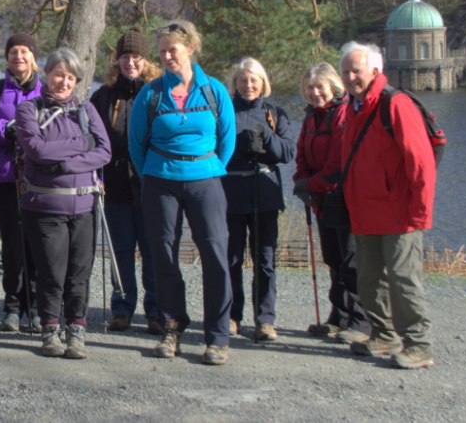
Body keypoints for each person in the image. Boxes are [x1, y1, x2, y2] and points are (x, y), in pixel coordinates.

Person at [127, 20, 235, 365]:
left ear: (190, 48)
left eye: (172, 49)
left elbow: (227, 141)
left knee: (216, 255)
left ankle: (217, 336)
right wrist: (153, 174)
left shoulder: (214, 90)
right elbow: (135, 143)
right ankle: (172, 325)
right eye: (161, 51)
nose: (167, 56)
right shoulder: (151, 93)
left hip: (206, 180)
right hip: (160, 181)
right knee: (162, 255)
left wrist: (206, 167)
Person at [337, 42, 436, 369]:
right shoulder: (353, 107)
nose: (351, 77)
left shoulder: (395, 104)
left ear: (375, 71)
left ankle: (418, 345)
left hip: (398, 213)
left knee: (404, 281)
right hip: (365, 214)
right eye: (346, 71)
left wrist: (420, 214)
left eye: (357, 70)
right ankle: (383, 334)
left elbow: (420, 163)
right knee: (369, 280)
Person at [15, 48, 111, 359]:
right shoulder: (29, 110)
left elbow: (105, 152)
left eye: (71, 77)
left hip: (84, 207)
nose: (64, 82)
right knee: (51, 274)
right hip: (44, 208)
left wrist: (66, 165)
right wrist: (83, 144)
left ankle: (77, 333)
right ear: (46, 74)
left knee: (79, 274)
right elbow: (37, 151)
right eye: (59, 74)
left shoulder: (87, 110)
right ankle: (50, 332)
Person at [90, 28, 163, 334]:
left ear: (146, 61)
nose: (130, 63)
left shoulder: (158, 93)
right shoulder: (103, 95)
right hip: (115, 182)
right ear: (116, 60)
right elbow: (91, 137)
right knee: (121, 249)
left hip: (150, 180)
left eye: (137, 57)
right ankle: (121, 308)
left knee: (151, 250)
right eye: (125, 57)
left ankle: (156, 311)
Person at [292, 62, 370, 343]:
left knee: (350, 260)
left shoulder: (342, 114)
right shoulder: (311, 117)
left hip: (343, 197)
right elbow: (301, 153)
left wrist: (310, 185)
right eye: (310, 88)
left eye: (320, 87)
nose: (315, 93)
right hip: (322, 198)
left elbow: (339, 163)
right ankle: (338, 316)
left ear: (333, 87)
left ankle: (361, 322)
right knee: (333, 259)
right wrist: (302, 180)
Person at [220, 58, 295, 342]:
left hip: (264, 194)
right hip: (231, 192)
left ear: (263, 83)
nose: (248, 85)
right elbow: (216, 149)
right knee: (232, 259)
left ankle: (265, 320)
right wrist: (241, 146)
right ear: (235, 83)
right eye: (243, 80)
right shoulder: (225, 111)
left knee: (265, 260)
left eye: (254, 80)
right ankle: (232, 316)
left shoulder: (275, 113)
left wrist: (266, 137)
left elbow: (287, 153)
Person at [0, 33, 43, 331]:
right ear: (7, 57)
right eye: (13, 52)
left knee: (38, 243)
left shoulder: (47, 89)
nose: (19, 57)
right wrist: (4, 129)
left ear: (33, 56)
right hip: (4, 180)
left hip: (40, 179)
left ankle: (38, 307)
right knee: (13, 244)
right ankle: (13, 307)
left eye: (25, 51)